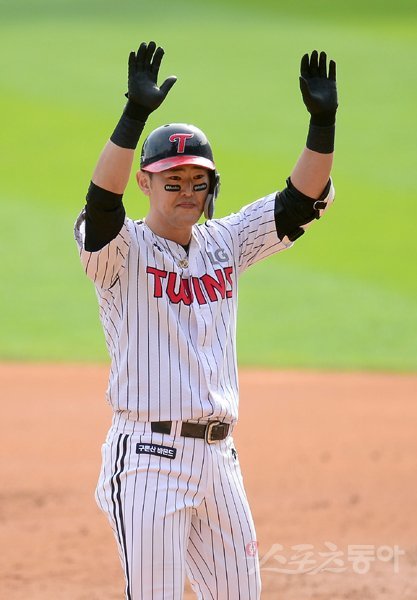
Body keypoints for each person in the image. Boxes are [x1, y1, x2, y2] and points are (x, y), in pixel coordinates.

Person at [74, 40, 338, 600]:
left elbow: (299, 202)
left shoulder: (226, 242)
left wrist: (322, 126)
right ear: (145, 183)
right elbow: (101, 207)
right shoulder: (121, 252)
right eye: (172, 182)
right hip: (147, 460)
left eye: (198, 182)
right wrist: (133, 116)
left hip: (219, 460)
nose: (187, 193)